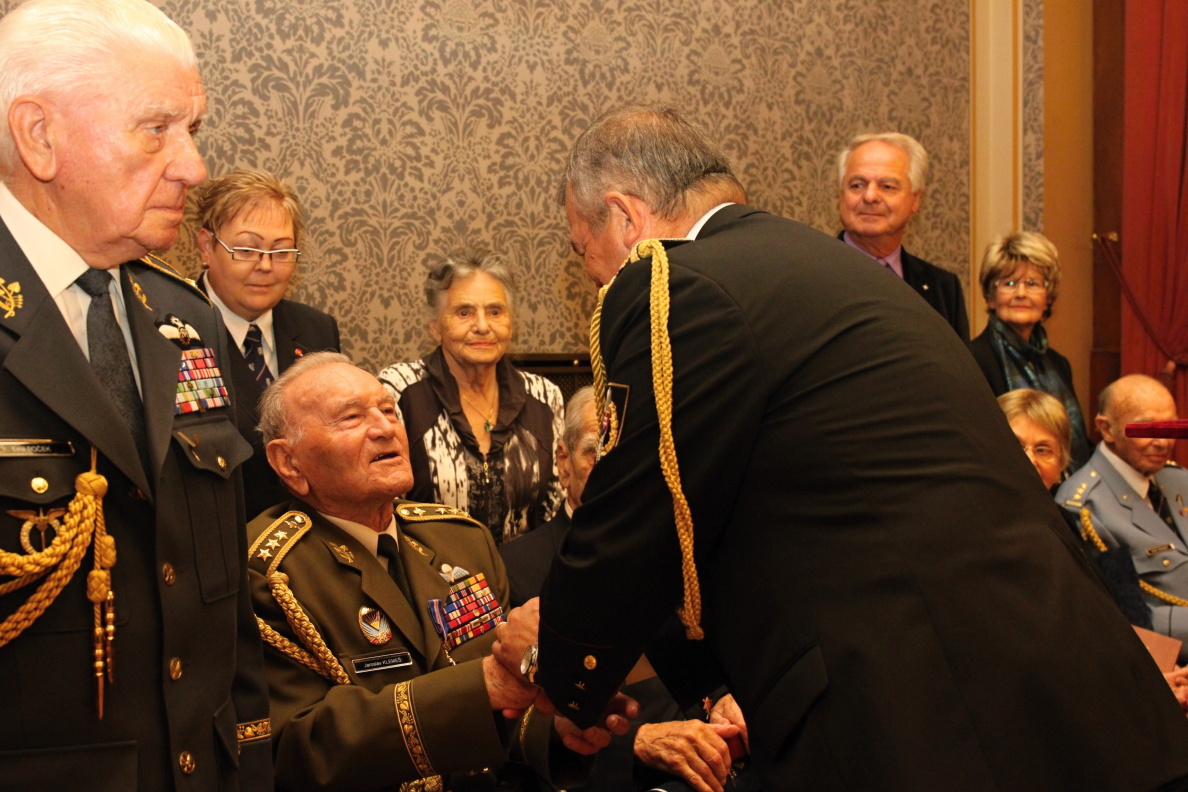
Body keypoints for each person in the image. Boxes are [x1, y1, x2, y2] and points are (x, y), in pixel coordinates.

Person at [491, 105, 1188, 792]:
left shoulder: (679, 285)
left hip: (934, 713)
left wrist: (555, 660)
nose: (596, 280)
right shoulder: (823, 267)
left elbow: (644, 504)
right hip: (1062, 689)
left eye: (585, 252)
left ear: (626, 218)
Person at [0, 1, 271, 789]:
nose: (194, 166)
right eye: (156, 129)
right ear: (38, 135)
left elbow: (226, 610)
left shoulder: (186, 320)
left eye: (192, 130)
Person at [248, 352, 627, 791]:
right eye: (351, 418)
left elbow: (501, 714)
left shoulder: (461, 539)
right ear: (289, 462)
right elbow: (291, 751)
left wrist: (556, 727)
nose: (385, 427)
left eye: (389, 410)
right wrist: (481, 685)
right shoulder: (266, 575)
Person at [501, 387, 753, 792]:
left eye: (629, 448)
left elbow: (716, 653)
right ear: (563, 461)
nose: (616, 465)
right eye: (596, 450)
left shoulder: (688, 550)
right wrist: (636, 742)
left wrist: (727, 696)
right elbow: (509, 724)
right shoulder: (515, 567)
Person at [378, 253, 564, 545]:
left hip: (523, 570)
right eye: (464, 313)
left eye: (495, 312)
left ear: (511, 323)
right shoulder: (399, 391)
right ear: (435, 327)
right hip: (430, 569)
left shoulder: (544, 396)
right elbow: (383, 505)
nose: (482, 326)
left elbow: (555, 510)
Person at [195, 168, 340, 518]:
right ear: (206, 247)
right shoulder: (169, 328)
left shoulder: (316, 330)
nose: (265, 265)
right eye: (247, 249)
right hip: (221, 530)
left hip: (309, 534)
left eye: (281, 251)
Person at [1058, 374, 1188, 659]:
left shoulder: (1179, 480)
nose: (1163, 442)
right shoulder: (1085, 510)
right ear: (1107, 429)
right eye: (1147, 428)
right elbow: (1124, 619)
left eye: (1170, 427)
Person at [971, 231, 1089, 469]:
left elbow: (1075, 443)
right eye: (1009, 283)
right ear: (991, 297)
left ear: (1048, 298)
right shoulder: (972, 360)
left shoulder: (1059, 364)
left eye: (1032, 284)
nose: (1021, 293)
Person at [836, 131, 969, 338]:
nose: (870, 196)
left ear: (915, 200)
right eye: (857, 185)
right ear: (841, 195)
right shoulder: (809, 277)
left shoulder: (942, 287)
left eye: (887, 186)